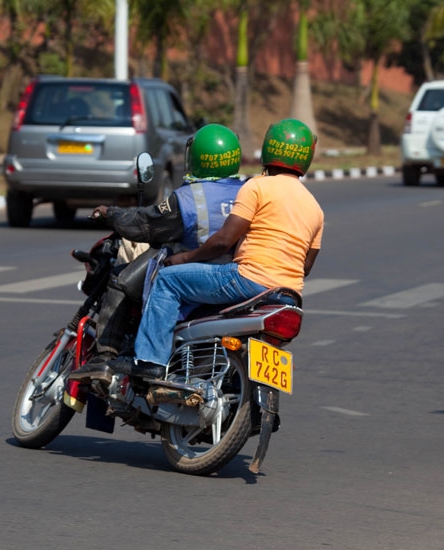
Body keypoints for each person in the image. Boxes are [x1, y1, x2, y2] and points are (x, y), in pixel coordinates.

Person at [105, 118, 325, 379]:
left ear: (268, 149)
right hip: (287, 295)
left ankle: (149, 361)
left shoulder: (256, 186)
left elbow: (223, 241)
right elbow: (305, 267)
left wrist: (184, 258)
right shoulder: (315, 208)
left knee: (167, 281)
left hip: (248, 280)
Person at [69, 123, 245, 381]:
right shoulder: (250, 191)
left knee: (122, 281)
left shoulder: (188, 197)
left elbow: (145, 225)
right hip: (239, 277)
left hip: (195, 275)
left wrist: (111, 213)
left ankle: (106, 359)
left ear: (197, 158)